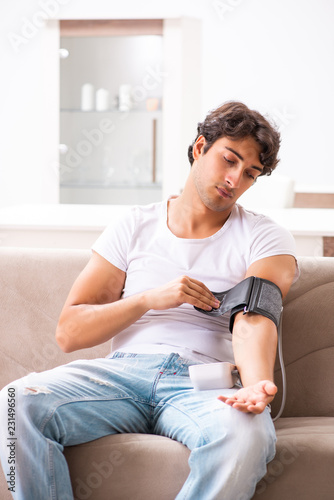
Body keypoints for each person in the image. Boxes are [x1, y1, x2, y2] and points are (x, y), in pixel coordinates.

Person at [0, 101, 299, 499]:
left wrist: (257, 383)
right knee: (14, 404)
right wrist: (148, 299)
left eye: (250, 174)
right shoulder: (134, 225)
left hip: (205, 382)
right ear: (199, 148)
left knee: (247, 436)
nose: (235, 179)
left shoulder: (266, 237)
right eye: (229, 160)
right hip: (123, 375)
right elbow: (69, 332)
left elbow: (254, 317)